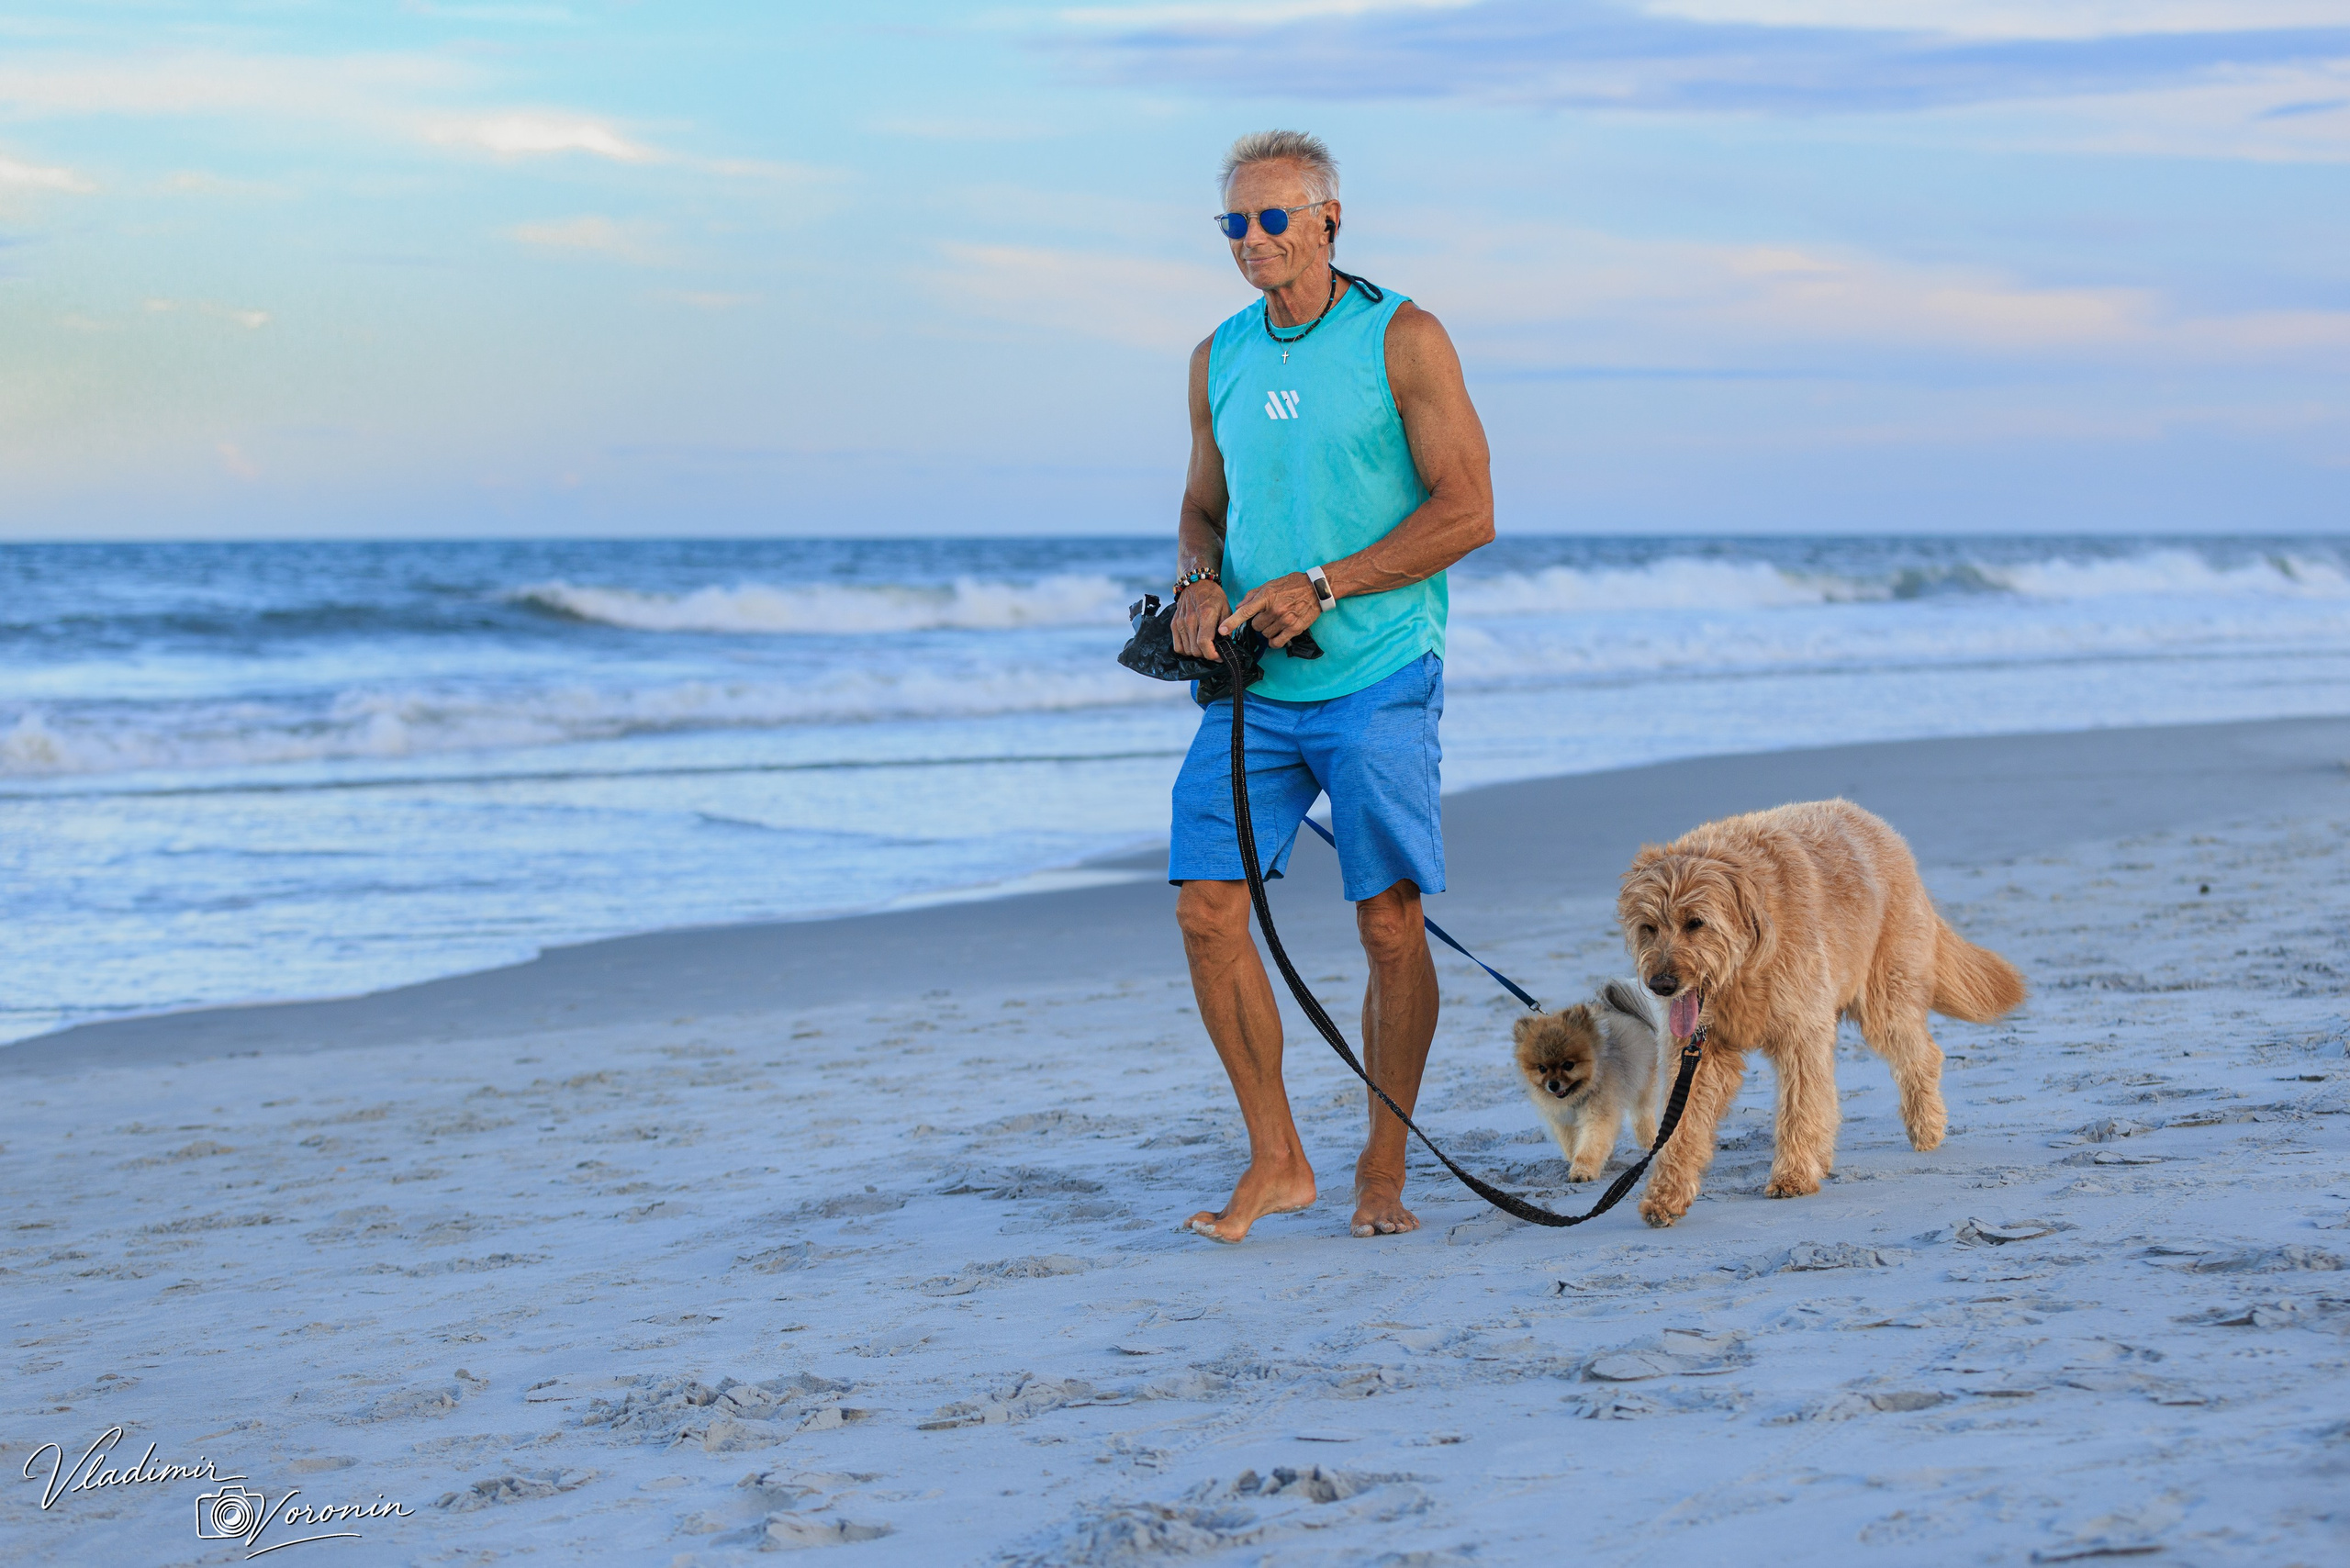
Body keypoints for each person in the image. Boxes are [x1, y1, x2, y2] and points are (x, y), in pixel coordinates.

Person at [1168, 129, 1495, 1242]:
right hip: (1253, 689)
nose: (1252, 241)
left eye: (1273, 219)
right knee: (1206, 910)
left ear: (1327, 221)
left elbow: (1468, 511)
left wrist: (1326, 581)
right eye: (1235, 224)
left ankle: (1382, 1170)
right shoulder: (1219, 355)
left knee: (1388, 924)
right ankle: (1278, 1160)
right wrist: (1201, 582)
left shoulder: (1403, 338)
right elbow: (1202, 506)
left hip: (1378, 673)